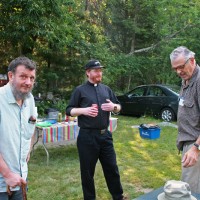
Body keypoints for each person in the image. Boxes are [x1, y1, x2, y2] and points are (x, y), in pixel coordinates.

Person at [66, 60, 126, 200]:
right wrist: (84, 110)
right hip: (87, 137)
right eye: (96, 70)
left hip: (105, 136)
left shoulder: (106, 89)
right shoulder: (80, 90)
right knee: (87, 172)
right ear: (88, 72)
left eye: (100, 70)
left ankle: (118, 197)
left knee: (112, 168)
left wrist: (114, 108)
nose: (99, 73)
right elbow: (69, 110)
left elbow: (119, 106)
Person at [0, 56, 37, 200]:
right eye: (23, 76)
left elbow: (32, 123)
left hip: (21, 180)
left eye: (31, 78)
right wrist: (7, 175)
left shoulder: (29, 98)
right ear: (11, 76)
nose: (28, 82)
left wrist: (28, 147)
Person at [170, 46, 200, 193]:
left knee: (190, 192)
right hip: (189, 146)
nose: (179, 71)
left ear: (192, 61)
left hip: (196, 146)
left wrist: (196, 148)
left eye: (181, 67)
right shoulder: (186, 80)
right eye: (175, 68)